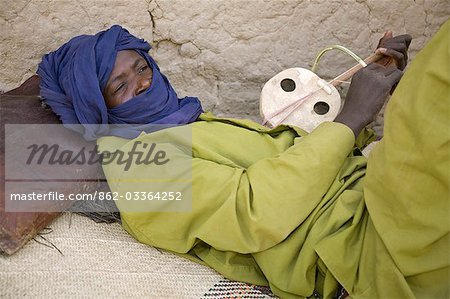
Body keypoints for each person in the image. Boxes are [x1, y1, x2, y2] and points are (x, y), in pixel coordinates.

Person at [36, 22, 449, 298]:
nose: (142, 84)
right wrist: (352, 115)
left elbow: (302, 160)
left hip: (369, 202)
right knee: (436, 83)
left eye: (141, 67)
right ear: (96, 108)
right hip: (360, 251)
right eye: (119, 86)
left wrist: (371, 95)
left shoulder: (187, 122)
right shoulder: (135, 164)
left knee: (431, 87)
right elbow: (255, 210)